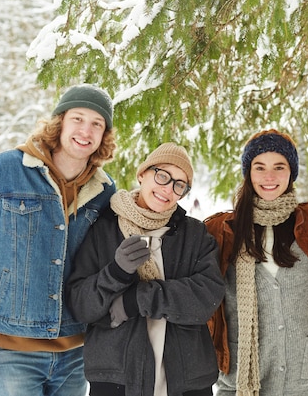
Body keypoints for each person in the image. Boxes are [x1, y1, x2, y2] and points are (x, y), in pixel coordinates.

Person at [0, 84, 117, 396]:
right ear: (60, 122)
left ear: (104, 135)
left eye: (97, 124)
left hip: (76, 351)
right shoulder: (2, 171)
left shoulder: (105, 192)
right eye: (78, 119)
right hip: (12, 349)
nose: (85, 130)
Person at [66, 142, 224, 396]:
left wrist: (136, 300)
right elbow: (81, 304)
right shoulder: (104, 228)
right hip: (117, 377)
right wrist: (115, 273)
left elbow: (206, 296)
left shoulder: (194, 235)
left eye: (179, 185)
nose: (168, 189)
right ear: (142, 174)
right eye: (162, 176)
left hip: (186, 380)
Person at [204, 129, 308, 395]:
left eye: (279, 167)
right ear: (248, 173)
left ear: (291, 173)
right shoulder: (221, 230)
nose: (269, 177)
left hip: (301, 379)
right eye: (259, 167)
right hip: (238, 380)